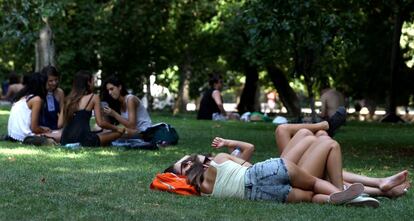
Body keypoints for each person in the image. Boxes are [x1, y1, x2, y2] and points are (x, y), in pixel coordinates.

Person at [167, 140, 367, 205]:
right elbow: (247, 166)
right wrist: (229, 145)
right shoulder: (218, 160)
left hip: (260, 195)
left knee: (311, 196)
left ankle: (339, 198)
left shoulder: (205, 193)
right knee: (314, 182)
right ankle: (343, 194)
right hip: (264, 172)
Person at [275, 122, 410, 198]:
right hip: (284, 178)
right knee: (324, 142)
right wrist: (322, 125)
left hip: (284, 172)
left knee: (312, 135)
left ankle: (380, 184)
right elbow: (252, 146)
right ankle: (380, 187)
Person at [60, 71, 127, 147]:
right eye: (93, 81)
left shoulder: (68, 99)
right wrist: (117, 128)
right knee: (118, 133)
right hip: (84, 140)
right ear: (88, 82)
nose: (94, 84)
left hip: (65, 140)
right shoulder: (94, 97)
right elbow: (100, 123)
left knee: (97, 133)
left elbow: (59, 124)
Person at [7, 72, 51, 142]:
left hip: (13, 135)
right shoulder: (36, 100)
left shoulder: (23, 97)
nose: (49, 87)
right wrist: (44, 131)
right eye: (47, 84)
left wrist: (42, 128)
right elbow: (34, 128)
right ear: (42, 85)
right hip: (23, 137)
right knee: (54, 136)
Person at [39, 66, 65, 130]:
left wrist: (60, 126)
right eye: (50, 81)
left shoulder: (59, 92)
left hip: (55, 127)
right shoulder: (39, 93)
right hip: (41, 128)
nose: (54, 83)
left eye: (56, 80)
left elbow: (63, 111)